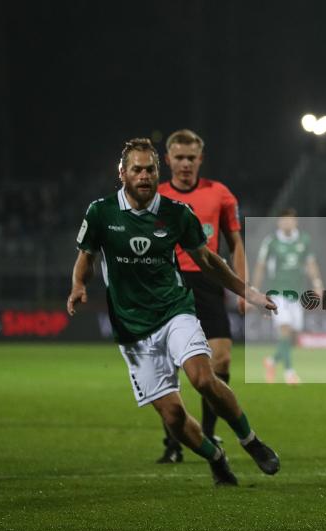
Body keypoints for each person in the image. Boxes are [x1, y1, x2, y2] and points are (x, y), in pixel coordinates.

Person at [67, 138, 281, 486]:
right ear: (122, 173)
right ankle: (216, 456)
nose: (144, 175)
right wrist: (78, 285)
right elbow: (85, 259)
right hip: (132, 329)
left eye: (150, 169)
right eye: (136, 168)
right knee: (173, 416)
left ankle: (251, 441)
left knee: (202, 378)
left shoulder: (177, 213)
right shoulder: (101, 212)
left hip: (174, 312)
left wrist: (250, 293)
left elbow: (209, 261)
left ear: (157, 171)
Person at [152, 129, 245, 464]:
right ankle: (174, 441)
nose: (185, 164)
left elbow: (235, 245)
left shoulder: (219, 194)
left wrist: (241, 289)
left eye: (191, 158)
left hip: (209, 282)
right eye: (179, 157)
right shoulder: (157, 196)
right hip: (170, 285)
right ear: (168, 160)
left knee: (220, 360)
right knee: (169, 367)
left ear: (200, 159)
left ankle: (207, 432)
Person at [250, 208, 324, 385]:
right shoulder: (272, 242)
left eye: (290, 220)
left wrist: (318, 284)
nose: (286, 223)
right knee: (284, 328)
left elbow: (311, 263)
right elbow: (260, 266)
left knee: (293, 334)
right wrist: (254, 291)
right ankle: (289, 373)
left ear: (295, 222)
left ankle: (272, 361)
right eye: (283, 220)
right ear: (278, 223)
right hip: (278, 293)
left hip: (297, 294)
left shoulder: (304, 240)